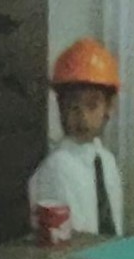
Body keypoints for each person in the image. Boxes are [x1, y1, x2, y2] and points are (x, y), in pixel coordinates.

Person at [29, 38, 125, 237]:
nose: (82, 117)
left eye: (92, 106)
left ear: (109, 107)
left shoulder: (107, 162)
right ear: (60, 107)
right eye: (73, 106)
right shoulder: (56, 168)